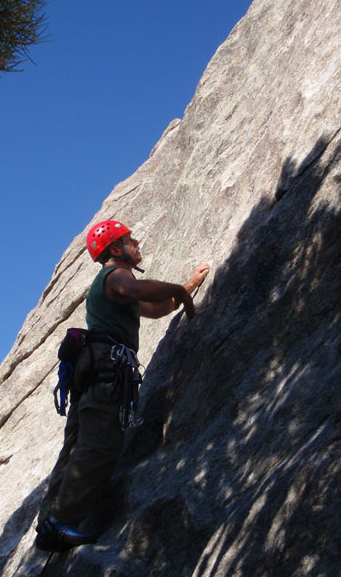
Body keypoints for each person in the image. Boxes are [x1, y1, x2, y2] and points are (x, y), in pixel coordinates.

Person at [35, 219, 210, 552]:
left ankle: (50, 520)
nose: (137, 241)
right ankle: (59, 522)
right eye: (130, 239)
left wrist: (186, 285)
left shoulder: (115, 286)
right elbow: (135, 292)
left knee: (76, 446)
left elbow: (155, 308)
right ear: (116, 249)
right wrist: (175, 288)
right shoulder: (116, 276)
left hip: (95, 371)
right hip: (106, 370)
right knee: (99, 445)